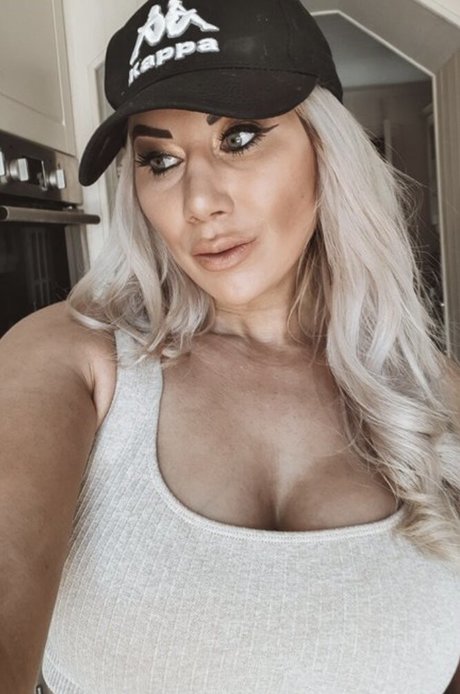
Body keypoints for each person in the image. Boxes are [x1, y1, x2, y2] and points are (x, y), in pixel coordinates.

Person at [1, 1, 460, 692]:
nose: (198, 201)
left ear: (325, 149)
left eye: (239, 138)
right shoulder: (69, 361)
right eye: (160, 160)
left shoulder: (437, 401)